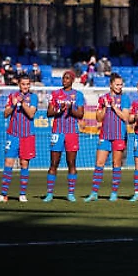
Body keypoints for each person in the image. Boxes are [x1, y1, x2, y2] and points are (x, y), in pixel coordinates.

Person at [0, 74, 39, 203]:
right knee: (8, 163)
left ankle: (22, 194)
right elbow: (5, 114)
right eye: (23, 84)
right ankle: (3, 194)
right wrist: (12, 106)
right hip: (13, 135)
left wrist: (22, 102)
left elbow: (31, 114)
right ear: (19, 84)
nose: (26, 86)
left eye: (28, 84)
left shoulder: (33, 97)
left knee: (24, 164)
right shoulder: (12, 96)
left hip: (27, 135)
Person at [84, 73, 131, 202]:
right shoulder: (102, 98)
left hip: (119, 136)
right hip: (105, 135)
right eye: (117, 84)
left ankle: (114, 193)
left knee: (116, 164)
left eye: (121, 84)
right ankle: (94, 193)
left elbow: (126, 117)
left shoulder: (125, 99)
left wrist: (115, 107)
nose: (119, 87)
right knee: (99, 163)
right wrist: (105, 107)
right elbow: (98, 118)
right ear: (111, 84)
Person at [43, 70, 85, 202]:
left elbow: (80, 114)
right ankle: (49, 193)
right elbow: (48, 113)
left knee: (71, 163)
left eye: (67, 78)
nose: (64, 80)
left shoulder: (78, 95)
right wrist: (58, 110)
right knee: (53, 163)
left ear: (72, 80)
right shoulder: (55, 94)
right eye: (63, 78)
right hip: (57, 132)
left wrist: (71, 109)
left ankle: (70, 193)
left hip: (72, 132)